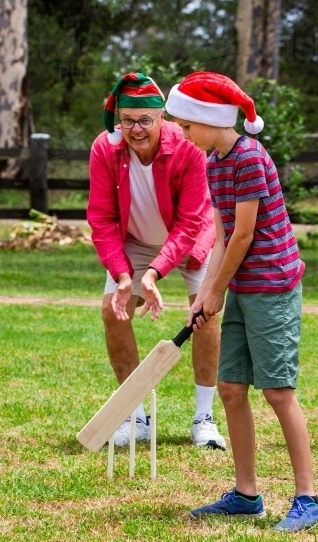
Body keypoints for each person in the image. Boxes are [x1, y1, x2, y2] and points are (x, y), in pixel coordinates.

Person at [164, 71, 318, 533]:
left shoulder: (249, 158)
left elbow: (244, 233)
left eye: (186, 125)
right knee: (232, 388)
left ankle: (309, 498)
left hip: (272, 286)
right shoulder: (214, 160)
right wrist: (205, 293)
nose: (182, 134)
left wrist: (216, 289)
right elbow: (219, 235)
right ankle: (246, 494)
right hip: (239, 284)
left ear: (209, 119)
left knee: (277, 391)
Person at [87, 73, 225, 449]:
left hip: (190, 238)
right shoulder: (105, 148)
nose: (135, 129)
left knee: (206, 314)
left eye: (145, 120)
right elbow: (101, 219)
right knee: (111, 310)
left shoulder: (187, 147)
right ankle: (135, 416)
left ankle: (204, 417)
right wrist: (122, 274)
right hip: (134, 241)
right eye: (127, 120)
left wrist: (154, 273)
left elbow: (190, 222)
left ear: (161, 117)